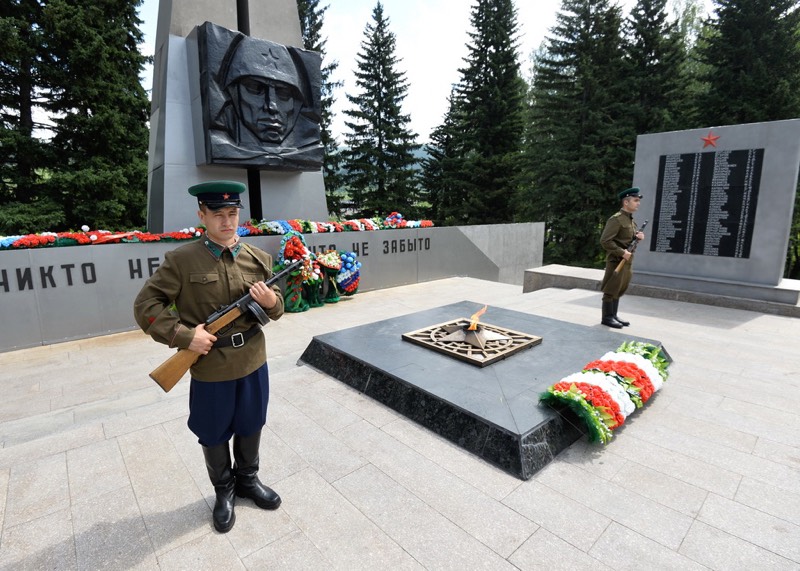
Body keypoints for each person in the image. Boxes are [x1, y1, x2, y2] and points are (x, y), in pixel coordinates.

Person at [133, 180, 284, 533]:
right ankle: (224, 490)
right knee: (213, 431)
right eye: (218, 214)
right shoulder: (182, 260)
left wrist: (270, 301)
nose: (227, 221)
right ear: (202, 215)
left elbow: (278, 307)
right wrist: (186, 336)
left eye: (232, 213)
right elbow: (146, 306)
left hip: (252, 360)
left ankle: (248, 480)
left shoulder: (257, 258)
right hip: (210, 365)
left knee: (252, 422)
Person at [599, 187, 645, 328]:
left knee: (619, 288)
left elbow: (627, 241)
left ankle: (613, 315)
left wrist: (638, 238)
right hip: (616, 260)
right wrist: (621, 252)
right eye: (635, 200)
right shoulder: (616, 219)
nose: (638, 203)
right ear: (626, 202)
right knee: (610, 289)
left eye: (638, 201)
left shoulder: (631, 221)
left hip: (626, 261)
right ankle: (607, 317)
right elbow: (605, 241)